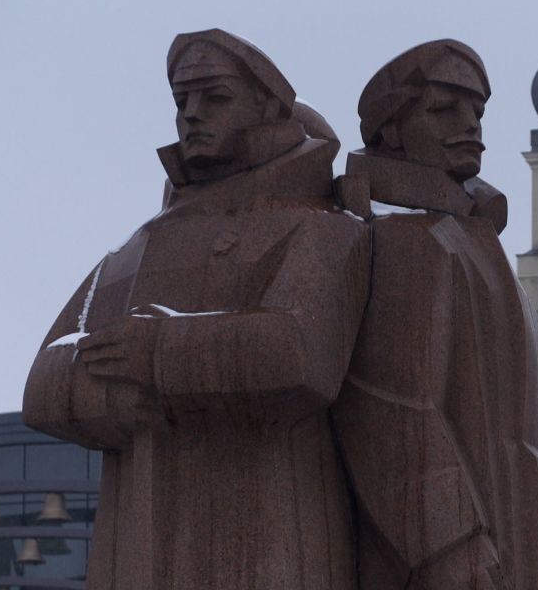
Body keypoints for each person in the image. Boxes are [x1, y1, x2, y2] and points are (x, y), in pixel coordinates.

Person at [23, 29, 368, 590]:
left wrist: (160, 353)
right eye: (182, 101)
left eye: (215, 97)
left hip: (273, 533)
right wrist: (115, 388)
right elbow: (42, 381)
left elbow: (301, 355)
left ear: (269, 108)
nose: (192, 114)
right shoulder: (139, 247)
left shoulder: (320, 227)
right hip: (141, 538)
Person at [331, 40, 538, 590]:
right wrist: (449, 543)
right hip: (454, 560)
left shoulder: (472, 238)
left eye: (477, 111)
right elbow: (389, 403)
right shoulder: (406, 236)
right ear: (390, 128)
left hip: (513, 536)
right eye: (445, 109)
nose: (470, 124)